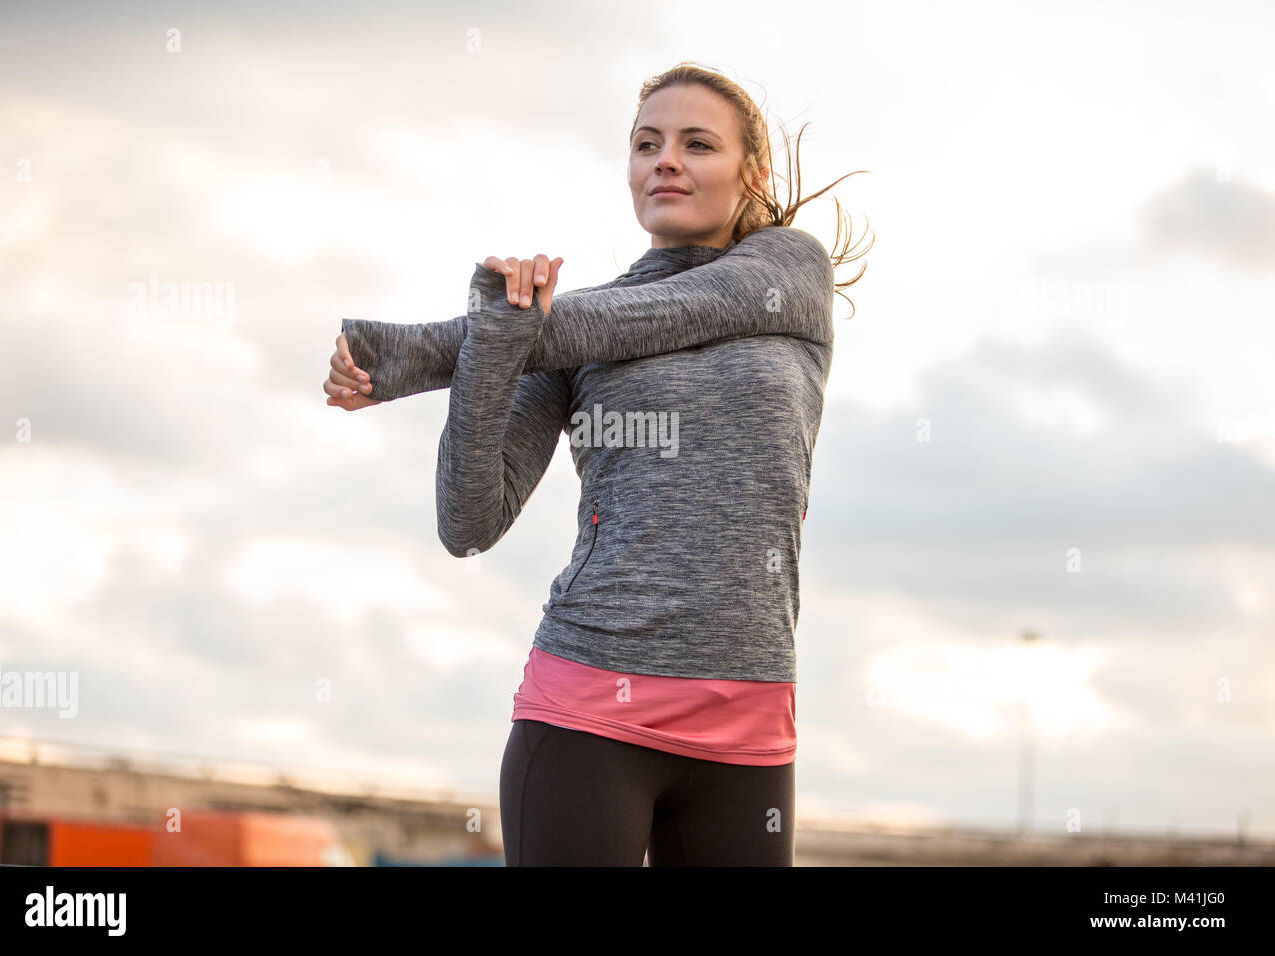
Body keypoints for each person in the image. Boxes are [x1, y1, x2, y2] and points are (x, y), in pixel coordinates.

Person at [324, 62, 872, 865]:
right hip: (587, 711)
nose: (666, 161)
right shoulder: (564, 333)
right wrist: (491, 348)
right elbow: (467, 524)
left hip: (748, 724)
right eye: (646, 144)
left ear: (751, 172)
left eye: (696, 144)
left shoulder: (789, 273)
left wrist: (414, 354)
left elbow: (661, 313)